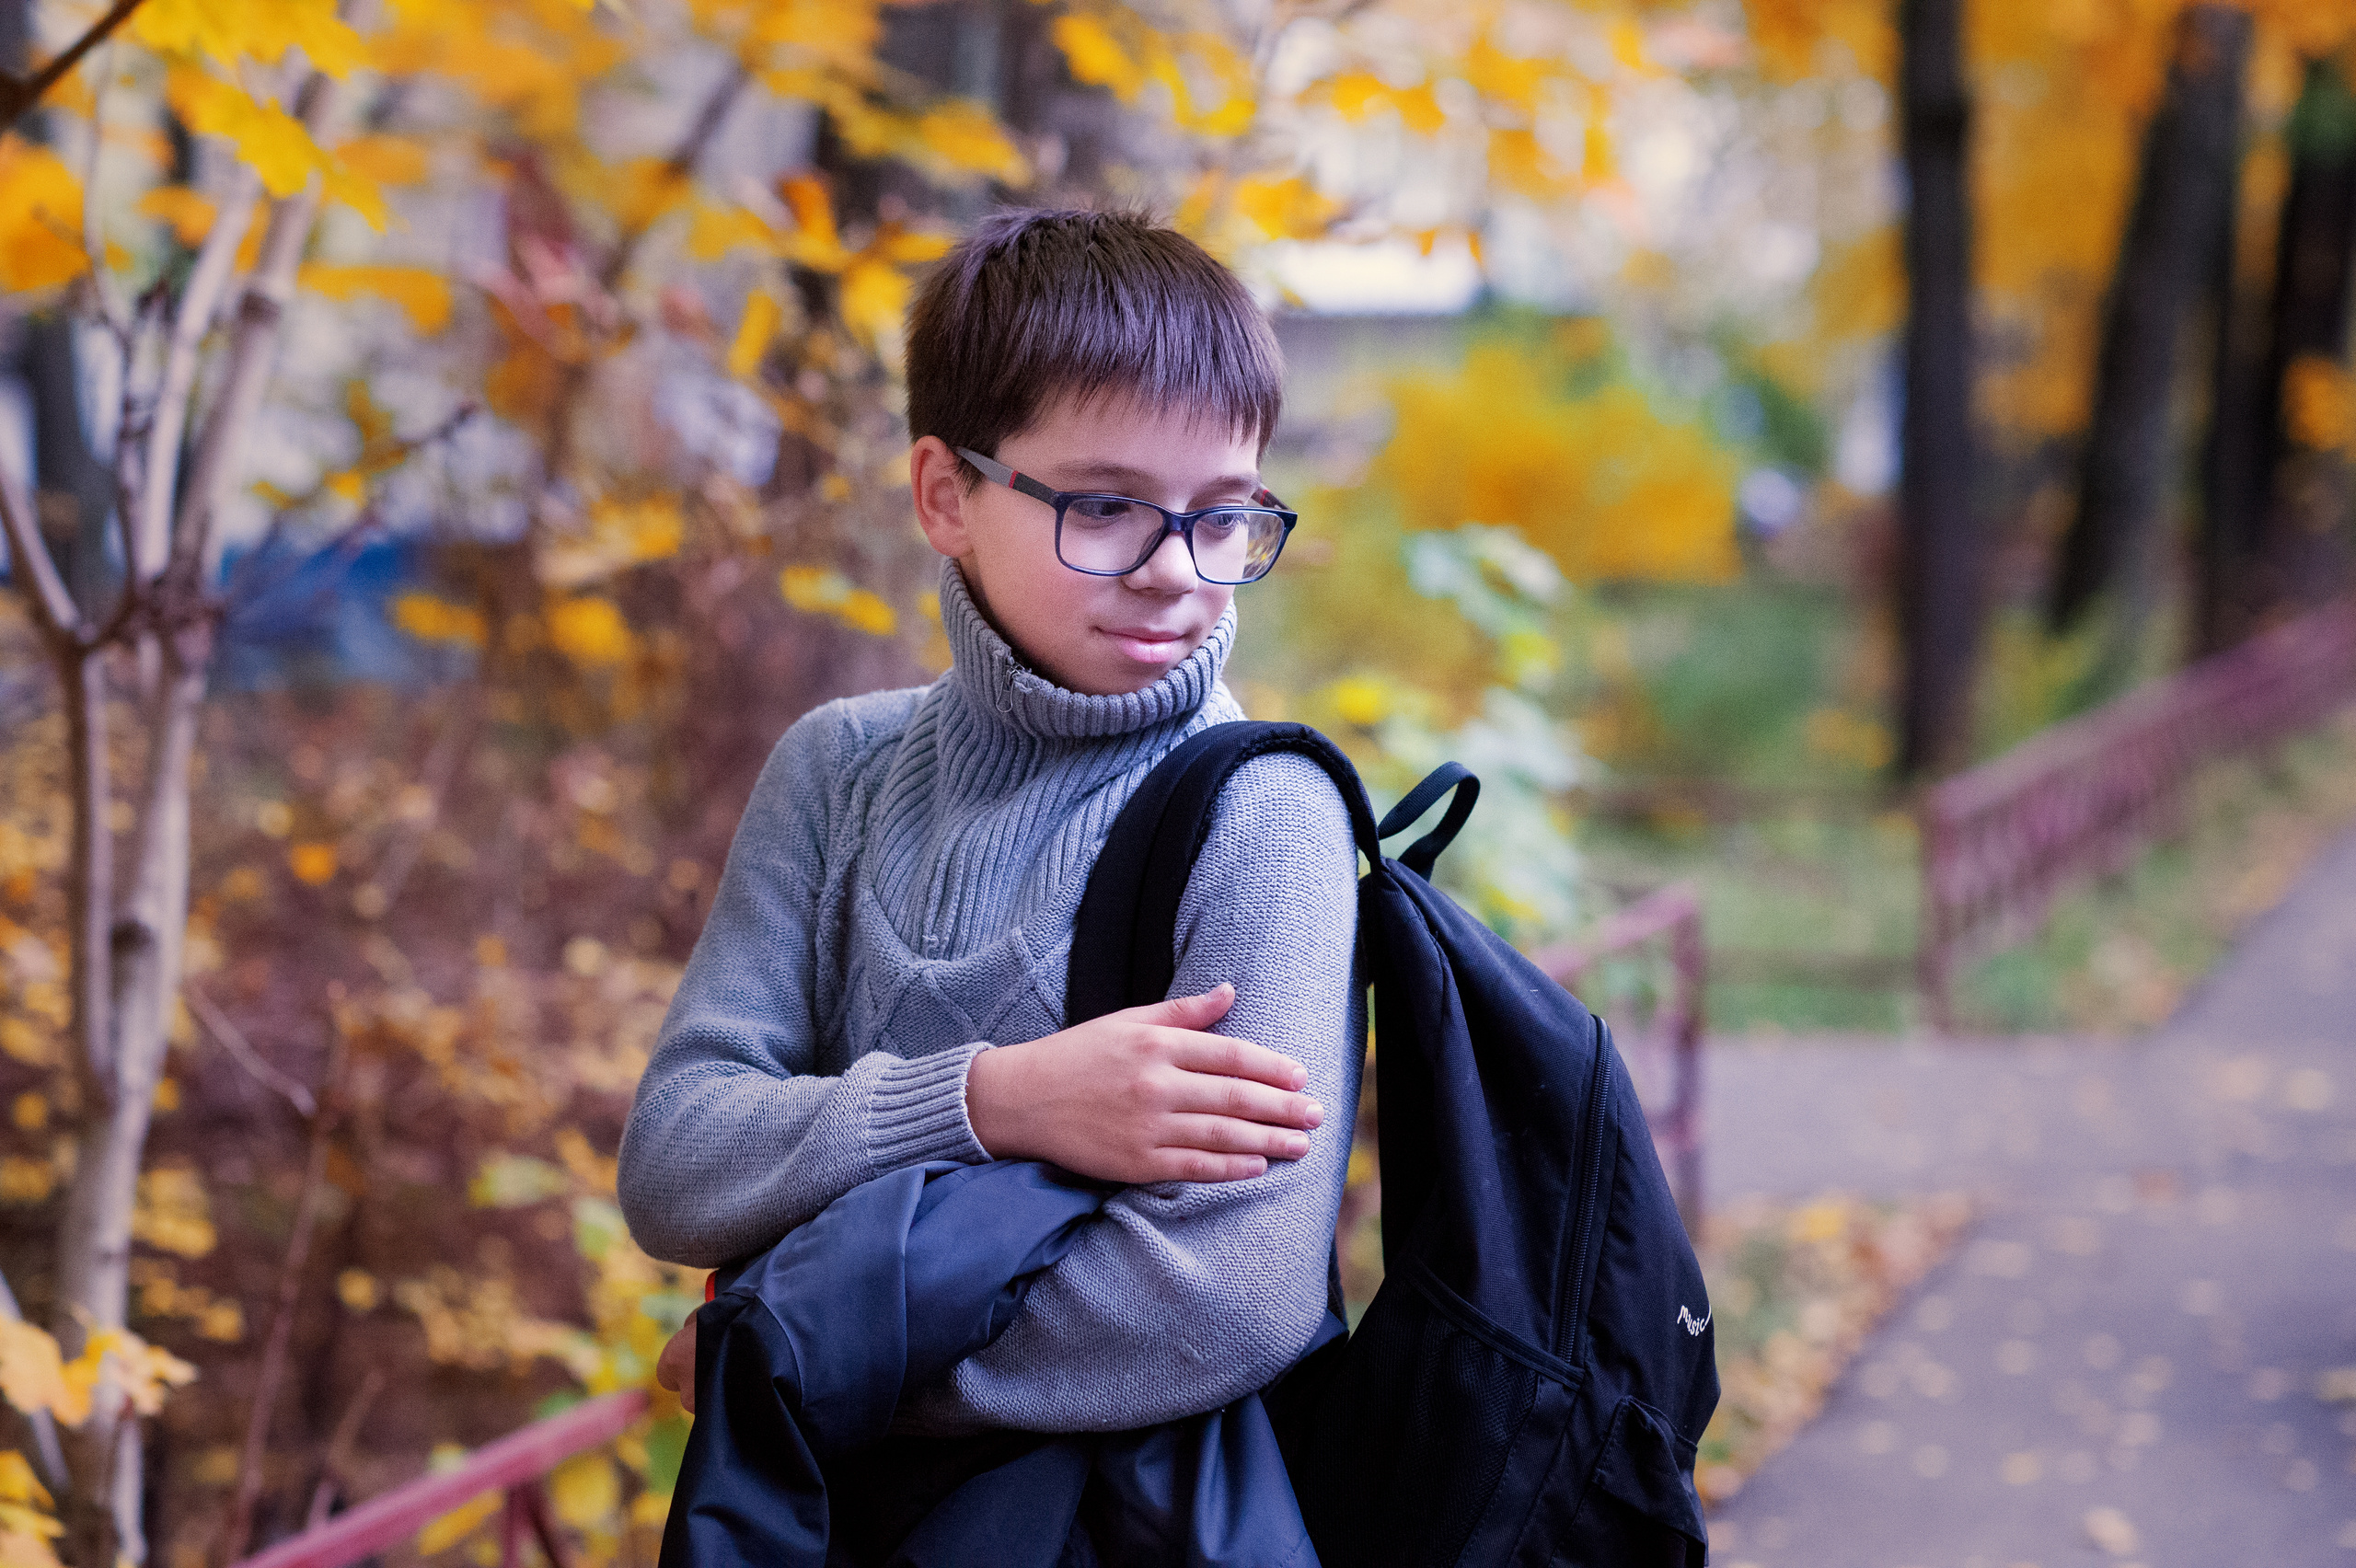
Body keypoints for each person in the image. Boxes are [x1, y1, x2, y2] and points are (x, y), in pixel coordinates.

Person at [617, 208, 1364, 1451]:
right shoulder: (835, 773)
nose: (1177, 569)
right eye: (1109, 508)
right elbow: (679, 1163)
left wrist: (793, 1356)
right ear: (946, 494)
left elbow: (1223, 1295)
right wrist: (997, 1099)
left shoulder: (1261, 814)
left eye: (1224, 514)